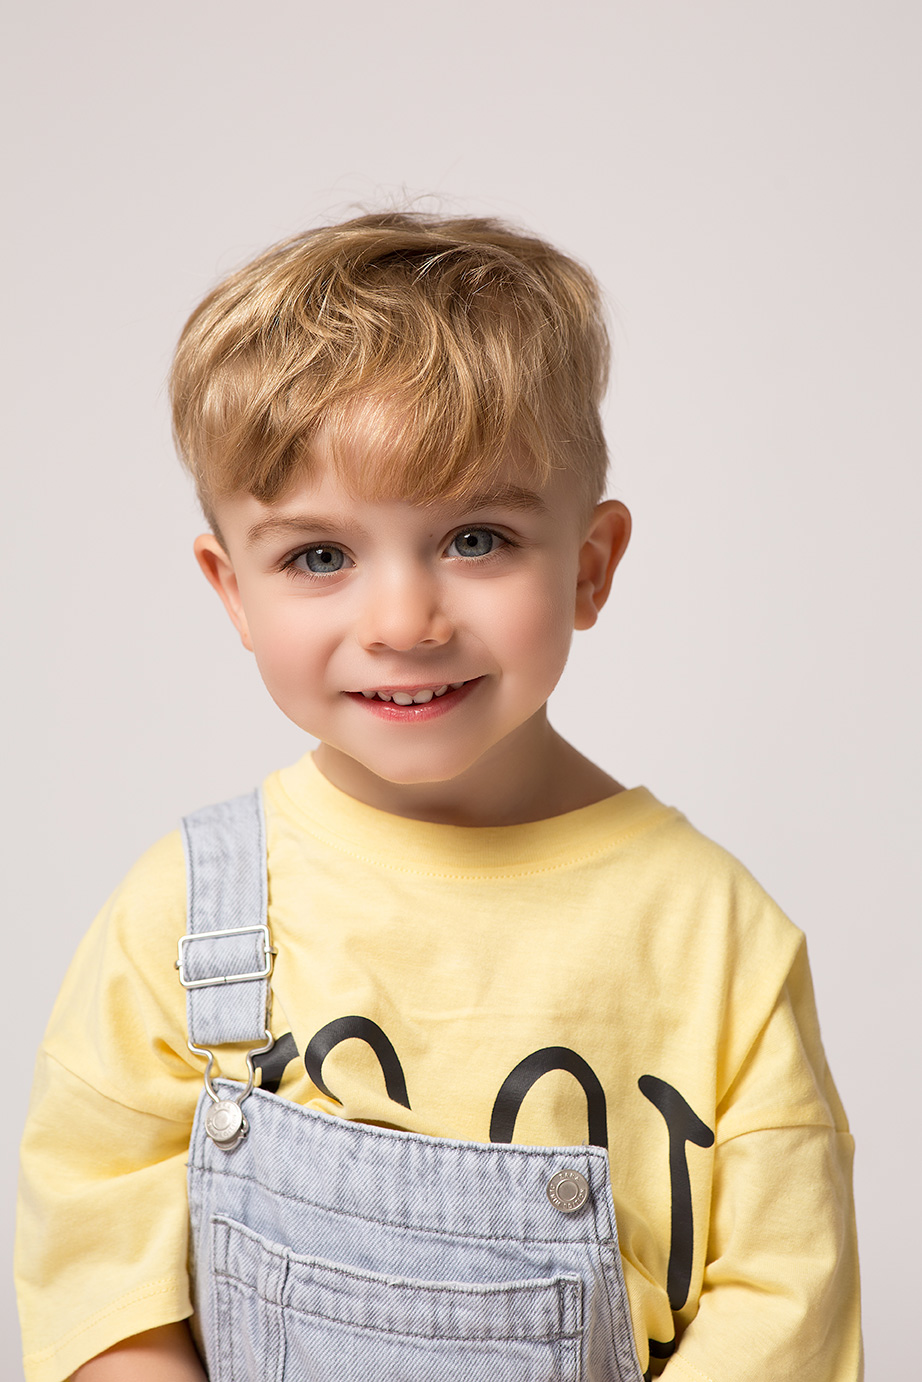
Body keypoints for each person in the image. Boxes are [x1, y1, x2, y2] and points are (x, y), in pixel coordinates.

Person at [16, 212, 862, 1381]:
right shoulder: (186, 915)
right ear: (233, 590)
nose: (403, 622)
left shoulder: (717, 938)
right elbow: (96, 1266)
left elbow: (784, 1306)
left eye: (474, 538)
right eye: (319, 555)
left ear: (589, 565)